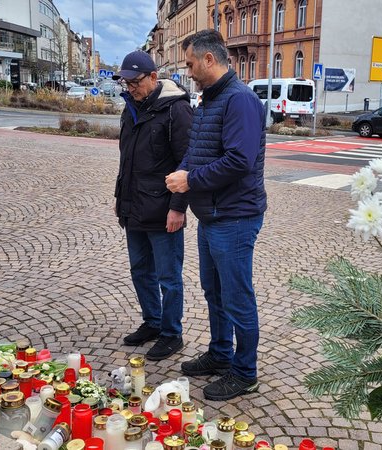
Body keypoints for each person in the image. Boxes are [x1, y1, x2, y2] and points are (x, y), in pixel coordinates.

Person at [165, 30, 267, 401]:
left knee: (237, 296)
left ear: (209, 60)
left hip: (235, 217)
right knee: (214, 292)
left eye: (191, 63)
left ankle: (245, 373)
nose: (188, 71)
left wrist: (190, 179)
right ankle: (222, 354)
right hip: (213, 215)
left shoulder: (240, 101)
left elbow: (239, 161)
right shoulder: (210, 100)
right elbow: (197, 152)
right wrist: (181, 189)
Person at [114, 51, 194, 361]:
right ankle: (153, 321)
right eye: (126, 82)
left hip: (163, 210)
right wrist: (121, 198)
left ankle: (172, 334)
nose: (130, 87)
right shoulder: (130, 108)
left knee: (168, 277)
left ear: (152, 77)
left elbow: (187, 163)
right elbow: (127, 160)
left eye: (135, 82)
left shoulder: (177, 110)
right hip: (134, 206)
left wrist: (178, 207)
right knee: (140, 271)